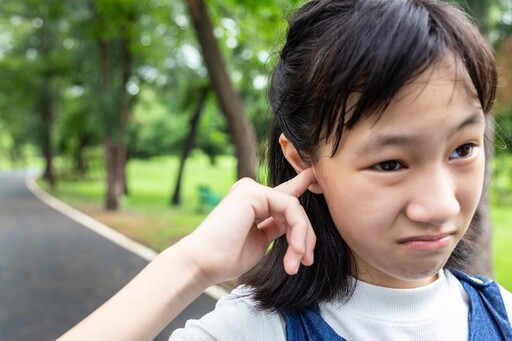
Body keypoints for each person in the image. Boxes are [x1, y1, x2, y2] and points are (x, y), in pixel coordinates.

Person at [60, 0, 512, 340]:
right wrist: (191, 263)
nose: (439, 206)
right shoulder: (255, 329)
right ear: (301, 158)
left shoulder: (502, 316)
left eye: (463, 149)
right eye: (390, 162)